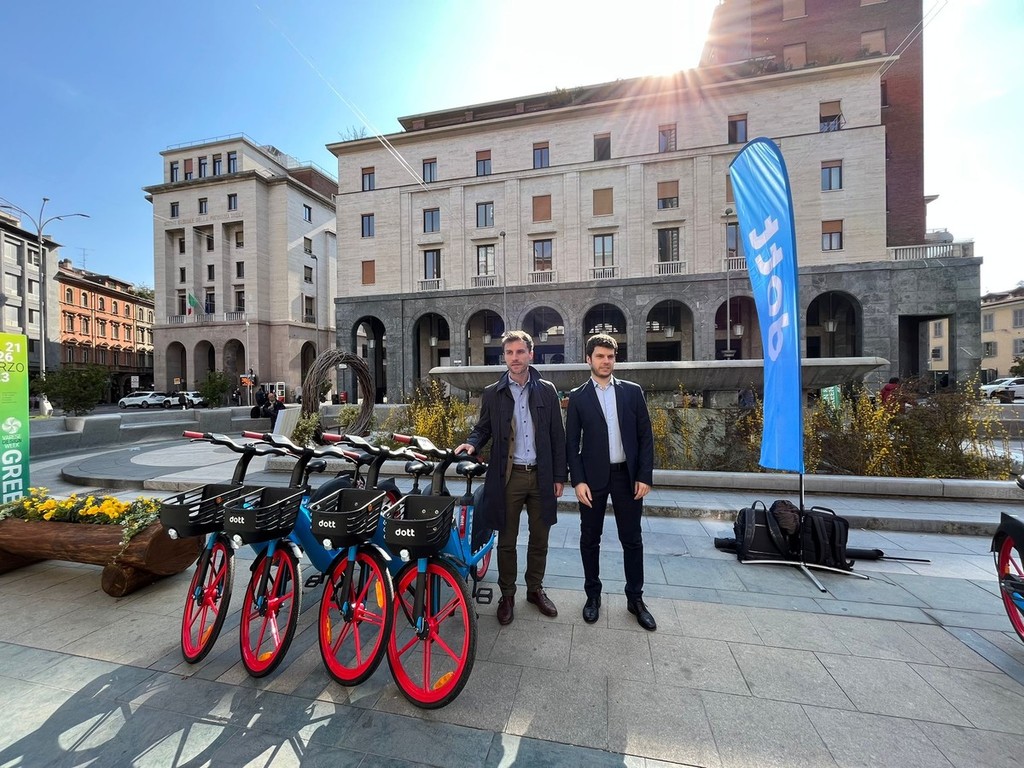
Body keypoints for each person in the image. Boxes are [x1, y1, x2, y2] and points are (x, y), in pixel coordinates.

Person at [455, 330, 567, 626]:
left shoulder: (547, 390)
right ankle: (507, 594)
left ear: (531, 354)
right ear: (504, 357)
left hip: (541, 476)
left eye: (520, 352)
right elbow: (483, 428)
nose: (515, 358)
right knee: (507, 540)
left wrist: (559, 475)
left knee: (540, 537)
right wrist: (472, 443)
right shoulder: (494, 392)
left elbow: (558, 436)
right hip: (509, 477)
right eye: (509, 353)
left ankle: (534, 589)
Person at [565, 333, 657, 631]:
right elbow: (571, 445)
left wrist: (644, 475)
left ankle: (635, 599)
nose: (606, 361)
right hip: (593, 480)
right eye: (600, 356)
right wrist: (577, 481)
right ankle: (593, 596)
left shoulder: (632, 392)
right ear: (588, 359)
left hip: (627, 479)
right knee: (590, 539)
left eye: (610, 356)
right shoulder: (578, 396)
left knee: (632, 539)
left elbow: (646, 437)